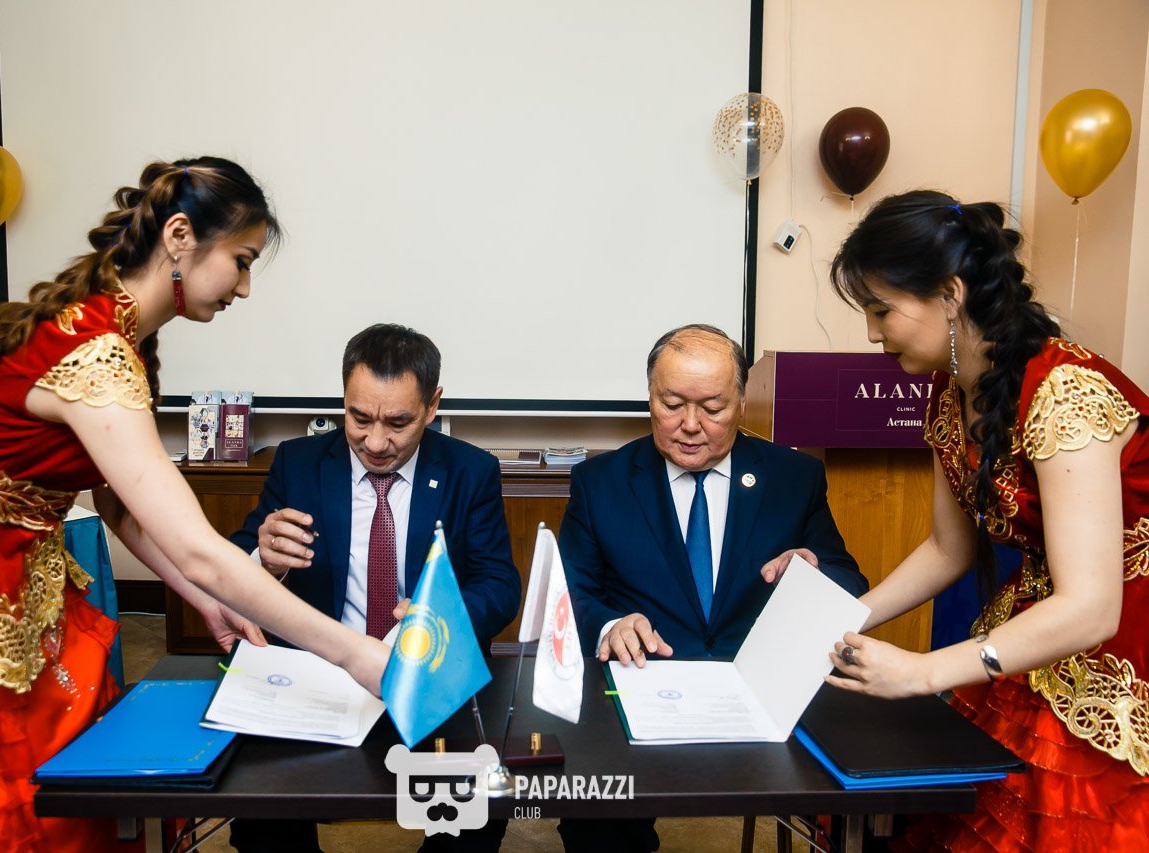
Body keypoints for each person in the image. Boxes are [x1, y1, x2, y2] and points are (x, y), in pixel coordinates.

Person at [0, 157, 389, 852]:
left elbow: (117, 507)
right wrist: (354, 654)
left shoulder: (107, 332)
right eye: (240, 261)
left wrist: (202, 598)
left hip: (7, 571)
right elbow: (198, 547)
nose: (244, 286)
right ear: (179, 236)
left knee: (60, 785)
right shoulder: (97, 352)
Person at [824, 190, 1149, 850]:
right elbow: (949, 548)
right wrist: (843, 616)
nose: (872, 333)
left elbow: (1092, 608)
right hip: (1043, 619)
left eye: (881, 309)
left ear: (950, 294)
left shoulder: (1067, 393)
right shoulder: (951, 393)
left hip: (1120, 632)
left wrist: (922, 672)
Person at [557, 323, 868, 853]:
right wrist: (610, 626)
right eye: (672, 404)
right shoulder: (601, 482)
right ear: (649, 396)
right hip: (642, 683)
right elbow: (571, 595)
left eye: (713, 408)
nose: (690, 425)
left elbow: (849, 581)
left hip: (760, 688)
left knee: (854, 783)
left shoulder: (794, 478)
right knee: (596, 811)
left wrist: (813, 571)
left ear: (742, 403)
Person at [228, 322, 521, 853]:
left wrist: (438, 615)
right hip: (319, 672)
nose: (376, 442)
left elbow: (499, 585)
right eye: (359, 418)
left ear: (432, 406)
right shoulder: (299, 463)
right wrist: (262, 559)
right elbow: (238, 560)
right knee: (260, 809)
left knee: (477, 808)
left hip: (428, 671)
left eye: (398, 422)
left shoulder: (470, 471)